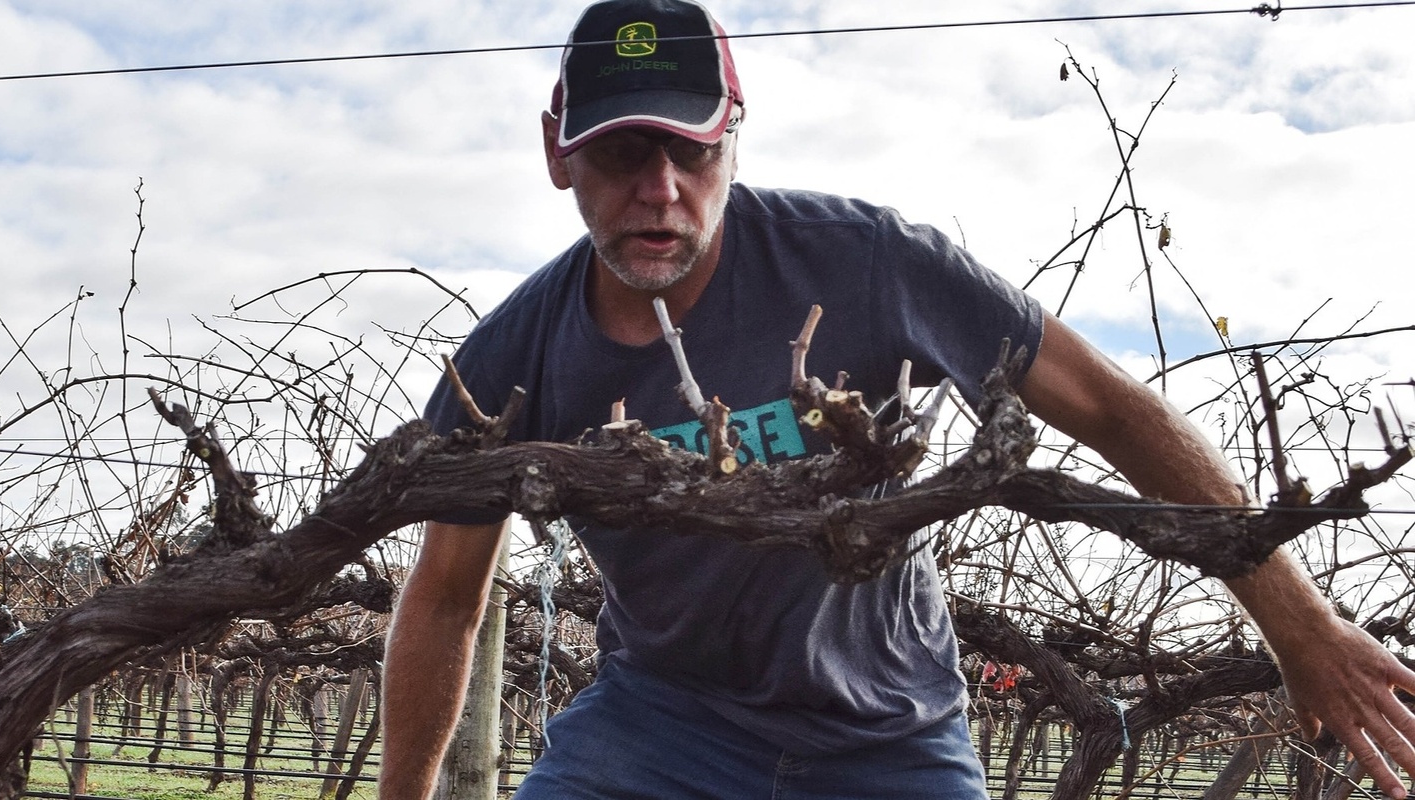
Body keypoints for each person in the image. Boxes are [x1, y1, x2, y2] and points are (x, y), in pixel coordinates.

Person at [380, 0, 1415, 797]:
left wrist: (1298, 623)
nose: (658, 189)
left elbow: (1109, 408)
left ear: (731, 139)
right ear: (559, 151)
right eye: (619, 152)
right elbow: (442, 593)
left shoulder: (865, 264)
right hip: (658, 729)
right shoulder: (511, 360)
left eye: (688, 150)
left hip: (889, 736)